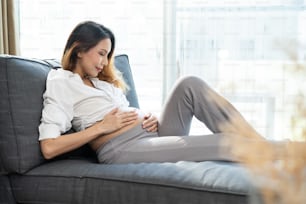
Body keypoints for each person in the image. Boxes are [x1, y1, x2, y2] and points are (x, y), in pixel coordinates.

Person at [38, 21, 262, 164]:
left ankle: (261, 146)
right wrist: (101, 128)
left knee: (189, 84)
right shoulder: (61, 81)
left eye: (107, 56)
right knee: (228, 144)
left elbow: (125, 113)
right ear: (79, 50)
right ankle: (289, 152)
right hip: (123, 148)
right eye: (101, 53)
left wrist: (148, 116)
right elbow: (48, 147)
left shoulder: (102, 83)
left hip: (153, 134)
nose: (105, 62)